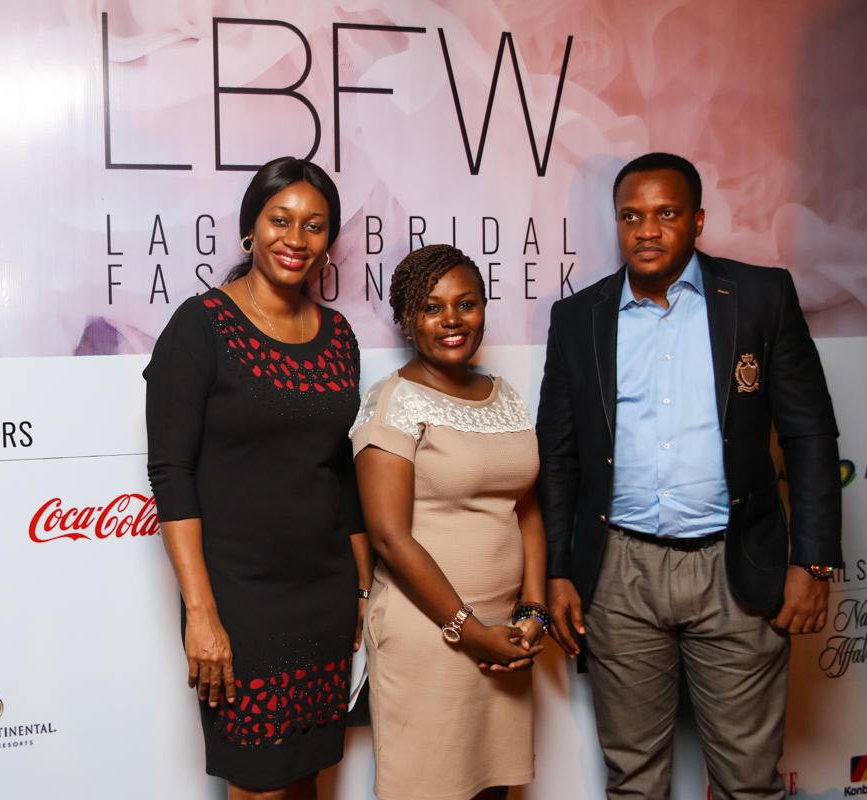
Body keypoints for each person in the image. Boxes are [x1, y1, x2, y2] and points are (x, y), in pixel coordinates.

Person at [536, 152, 842, 800]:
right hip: (619, 572)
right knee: (634, 781)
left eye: (666, 213)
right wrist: (558, 570)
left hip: (738, 567)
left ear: (698, 220)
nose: (647, 230)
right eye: (631, 216)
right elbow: (557, 454)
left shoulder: (761, 297)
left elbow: (810, 435)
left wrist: (813, 562)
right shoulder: (578, 318)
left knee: (748, 783)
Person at [144, 156, 374, 800]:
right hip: (239, 600)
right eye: (280, 220)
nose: (295, 238)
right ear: (251, 229)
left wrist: (362, 584)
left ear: (328, 241)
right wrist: (201, 613)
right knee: (260, 786)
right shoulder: (201, 325)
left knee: (306, 782)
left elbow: (339, 469)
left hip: (324, 595)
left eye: (314, 225)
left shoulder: (339, 336)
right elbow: (171, 471)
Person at [351, 244, 548, 800]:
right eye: (432, 307)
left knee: (491, 789)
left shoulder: (505, 397)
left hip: (505, 633)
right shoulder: (393, 402)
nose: (452, 320)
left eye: (466, 304)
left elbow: (526, 506)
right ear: (407, 319)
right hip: (431, 635)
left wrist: (532, 612)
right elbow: (390, 537)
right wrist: (472, 632)